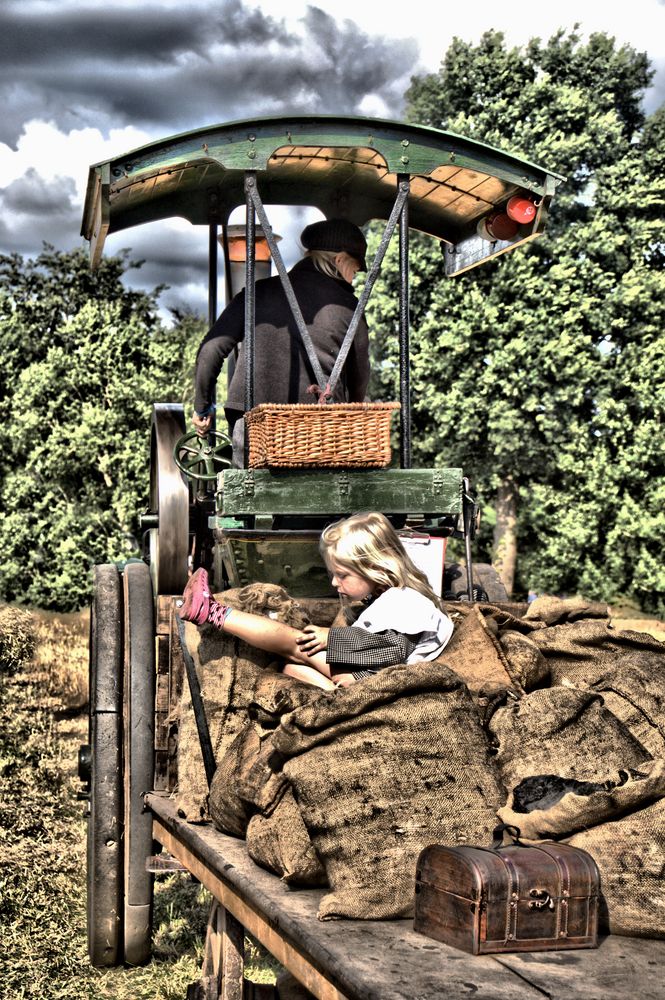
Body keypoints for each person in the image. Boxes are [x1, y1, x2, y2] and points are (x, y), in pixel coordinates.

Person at [177, 512, 454, 690]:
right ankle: (335, 695)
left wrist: (331, 639)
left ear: (377, 567)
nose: (335, 583)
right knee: (290, 668)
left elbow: (391, 650)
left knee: (295, 644)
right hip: (374, 678)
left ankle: (211, 612)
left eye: (343, 575)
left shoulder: (405, 602)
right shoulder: (391, 598)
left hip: (379, 679)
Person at [192, 218, 371, 444]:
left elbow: (211, 349)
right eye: (354, 270)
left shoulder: (257, 292)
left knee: (248, 480)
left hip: (252, 421)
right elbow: (360, 375)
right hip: (318, 428)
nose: (354, 279)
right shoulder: (349, 306)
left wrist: (202, 407)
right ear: (339, 260)